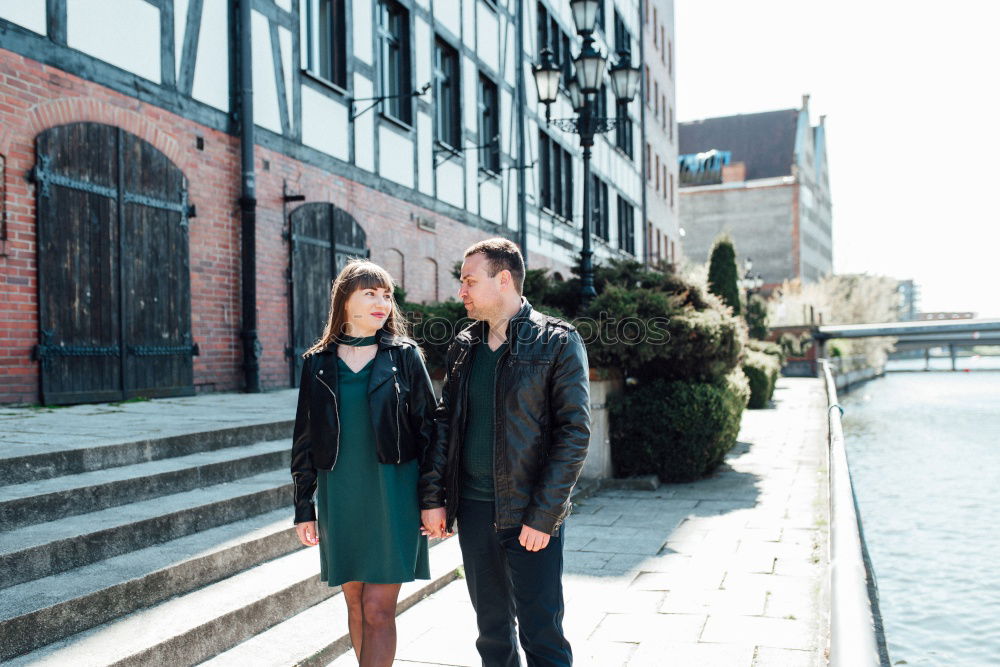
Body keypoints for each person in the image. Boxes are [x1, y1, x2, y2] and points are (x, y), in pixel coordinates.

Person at [420, 238, 591, 666]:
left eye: (469, 281)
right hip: (475, 511)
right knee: (492, 635)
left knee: (542, 634)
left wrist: (543, 515)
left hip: (529, 513)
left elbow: (574, 433)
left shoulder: (557, 341)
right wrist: (434, 497)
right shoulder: (463, 345)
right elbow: (446, 423)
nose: (462, 291)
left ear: (503, 279)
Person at [290, 259, 436, 667]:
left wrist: (433, 498)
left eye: (387, 295)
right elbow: (304, 439)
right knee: (354, 603)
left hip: (393, 493)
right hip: (341, 493)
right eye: (370, 293)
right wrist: (304, 506)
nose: (382, 303)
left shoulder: (404, 356)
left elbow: (429, 432)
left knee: (377, 608)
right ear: (345, 300)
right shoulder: (317, 362)